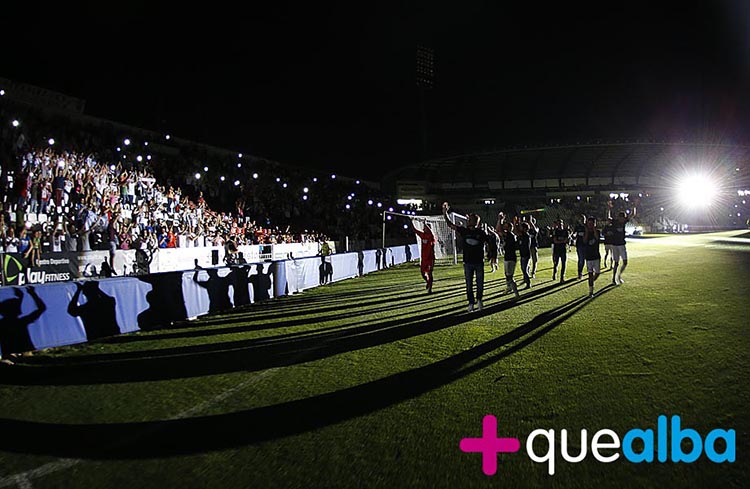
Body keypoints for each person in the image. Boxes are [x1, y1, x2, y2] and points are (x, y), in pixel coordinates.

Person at [443, 202, 487, 312]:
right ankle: (471, 303)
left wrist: (491, 254)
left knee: (479, 283)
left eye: (470, 219)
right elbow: (450, 225)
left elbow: (489, 242)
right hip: (468, 262)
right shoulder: (464, 230)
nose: (468, 220)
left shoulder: (481, 232)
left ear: (474, 221)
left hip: (478, 262)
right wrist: (445, 213)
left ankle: (479, 300)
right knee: (469, 285)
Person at [610, 208, 634, 285]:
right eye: (621, 218)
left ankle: (619, 275)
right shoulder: (615, 222)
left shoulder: (623, 222)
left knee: (625, 262)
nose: (622, 219)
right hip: (615, 245)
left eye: (623, 218)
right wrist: (608, 209)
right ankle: (613, 278)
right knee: (616, 263)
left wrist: (634, 206)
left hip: (622, 244)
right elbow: (608, 218)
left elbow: (633, 215)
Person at [410, 219, 436, 293]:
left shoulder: (431, 236)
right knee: (423, 273)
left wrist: (425, 223)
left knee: (430, 273)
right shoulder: (423, 235)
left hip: (430, 258)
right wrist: (411, 221)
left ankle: (430, 289)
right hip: (424, 258)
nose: (423, 229)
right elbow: (415, 230)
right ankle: (428, 281)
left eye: (424, 228)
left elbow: (431, 232)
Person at [499, 222, 521, 297]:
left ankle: (516, 293)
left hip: (510, 258)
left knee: (509, 276)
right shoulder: (511, 235)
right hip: (509, 257)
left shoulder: (510, 235)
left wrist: (499, 220)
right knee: (507, 275)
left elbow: (498, 230)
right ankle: (509, 288)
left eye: (505, 227)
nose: (504, 228)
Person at [583, 216, 602, 297]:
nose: (590, 225)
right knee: (590, 274)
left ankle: (591, 282)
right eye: (589, 223)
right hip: (588, 256)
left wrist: (593, 230)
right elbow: (584, 241)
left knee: (597, 273)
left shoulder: (597, 231)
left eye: (592, 223)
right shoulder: (586, 232)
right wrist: (587, 232)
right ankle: (591, 291)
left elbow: (597, 239)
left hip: (596, 256)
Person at [551, 218, 569, 283]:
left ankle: (562, 277)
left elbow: (566, 240)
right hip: (557, 250)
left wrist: (560, 241)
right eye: (558, 224)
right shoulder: (555, 231)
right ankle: (554, 273)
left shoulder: (565, 231)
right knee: (556, 263)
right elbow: (555, 241)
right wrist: (562, 241)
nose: (559, 225)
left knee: (563, 264)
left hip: (563, 250)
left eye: (560, 223)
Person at [517, 222, 532, 290]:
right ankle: (526, 280)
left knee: (524, 269)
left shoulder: (526, 236)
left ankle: (528, 283)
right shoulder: (523, 235)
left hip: (525, 254)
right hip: (523, 254)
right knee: (524, 269)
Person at [574, 214, 587, 280]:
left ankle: (589, 271)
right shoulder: (577, 227)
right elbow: (574, 233)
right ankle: (580, 273)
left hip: (586, 245)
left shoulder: (586, 226)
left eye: (583, 219)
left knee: (585, 259)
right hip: (579, 244)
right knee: (581, 259)